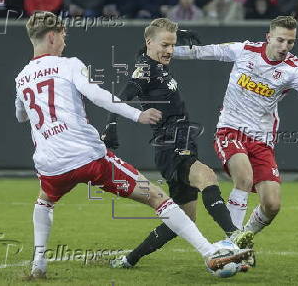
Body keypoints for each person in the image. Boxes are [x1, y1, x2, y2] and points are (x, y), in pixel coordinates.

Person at [15, 11, 251, 279]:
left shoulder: (22, 77)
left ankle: (38, 266)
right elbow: (100, 96)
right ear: (52, 36)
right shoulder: (68, 65)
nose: (65, 43)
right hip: (89, 157)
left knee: (44, 202)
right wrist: (136, 115)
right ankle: (211, 253)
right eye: (64, 37)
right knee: (157, 197)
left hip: (51, 163)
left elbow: (21, 115)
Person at [172, 15, 298, 250]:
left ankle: (244, 235)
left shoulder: (293, 69)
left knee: (272, 204)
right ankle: (231, 242)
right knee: (244, 177)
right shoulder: (244, 50)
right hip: (230, 130)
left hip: (262, 140)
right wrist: (166, 52)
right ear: (268, 37)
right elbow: (201, 52)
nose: (284, 47)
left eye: (290, 42)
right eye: (280, 40)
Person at [102, 18, 254, 269]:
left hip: (182, 140)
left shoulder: (153, 58)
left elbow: (151, 44)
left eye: (173, 45)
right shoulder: (145, 71)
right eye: (165, 45)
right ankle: (234, 235)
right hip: (170, 143)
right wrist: (111, 125)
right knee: (207, 177)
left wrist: (178, 34)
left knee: (184, 218)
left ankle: (129, 259)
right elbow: (118, 97)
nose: (170, 50)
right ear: (149, 43)